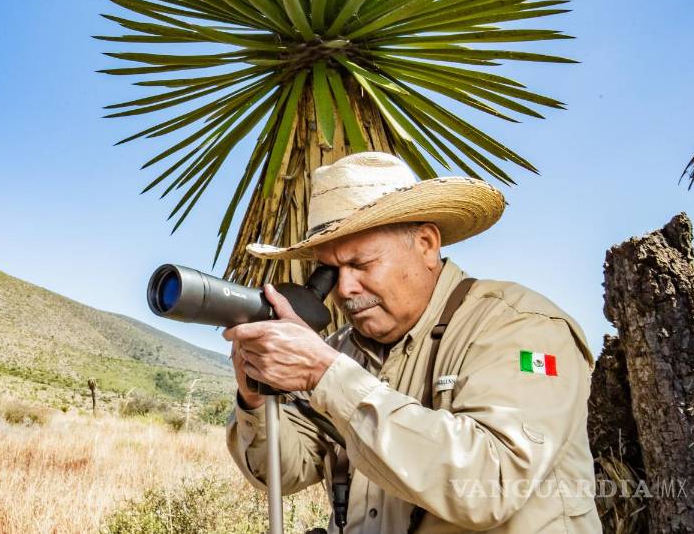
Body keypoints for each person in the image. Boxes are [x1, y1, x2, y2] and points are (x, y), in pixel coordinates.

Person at [224, 152, 599, 533]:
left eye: (361, 264)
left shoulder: (520, 326)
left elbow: (491, 485)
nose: (346, 288)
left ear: (426, 244)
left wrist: (327, 376)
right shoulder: (341, 350)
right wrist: (254, 395)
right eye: (331, 272)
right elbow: (284, 473)